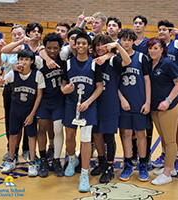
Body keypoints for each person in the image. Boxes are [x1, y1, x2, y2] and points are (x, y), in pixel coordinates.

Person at [61, 33, 103, 192]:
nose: (80, 46)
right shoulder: (68, 64)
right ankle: (72, 160)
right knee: (70, 136)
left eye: (83, 43)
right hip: (71, 105)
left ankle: (84, 174)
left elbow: (99, 87)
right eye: (77, 43)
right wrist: (65, 90)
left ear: (88, 46)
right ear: (74, 45)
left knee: (85, 140)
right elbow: (62, 86)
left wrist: (88, 102)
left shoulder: (94, 64)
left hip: (88, 106)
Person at [0, 49, 45, 176]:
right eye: (21, 59)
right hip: (15, 109)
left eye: (26, 59)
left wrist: (32, 114)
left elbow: (39, 96)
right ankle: (12, 159)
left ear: (32, 61)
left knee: (31, 136)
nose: (23, 62)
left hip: (29, 109)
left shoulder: (37, 75)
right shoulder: (12, 74)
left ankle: (32, 162)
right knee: (13, 134)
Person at [152, 20, 178, 173]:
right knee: (164, 127)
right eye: (160, 29)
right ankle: (165, 155)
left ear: (171, 32)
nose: (162, 32)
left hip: (177, 90)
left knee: (177, 125)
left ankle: (176, 158)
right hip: (161, 91)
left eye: (165, 29)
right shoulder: (156, 48)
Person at [90, 34, 131, 183]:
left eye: (103, 44)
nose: (100, 48)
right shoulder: (93, 61)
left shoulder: (113, 60)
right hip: (95, 103)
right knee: (96, 135)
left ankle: (109, 166)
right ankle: (101, 161)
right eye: (97, 45)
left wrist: (117, 47)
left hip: (110, 103)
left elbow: (128, 61)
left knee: (108, 136)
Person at [145, 37, 178, 185]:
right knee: (164, 139)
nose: (153, 51)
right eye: (150, 48)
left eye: (156, 48)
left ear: (162, 49)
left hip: (169, 107)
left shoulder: (168, 63)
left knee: (170, 140)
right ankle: (170, 166)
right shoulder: (149, 64)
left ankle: (167, 173)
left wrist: (168, 100)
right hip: (155, 107)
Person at [117, 29, 151, 182]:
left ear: (133, 41)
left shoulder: (142, 57)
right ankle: (128, 164)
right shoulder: (117, 59)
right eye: (123, 40)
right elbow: (114, 83)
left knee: (141, 134)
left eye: (129, 40)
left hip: (139, 102)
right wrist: (122, 98)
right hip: (124, 104)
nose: (126, 42)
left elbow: (147, 81)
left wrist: (148, 101)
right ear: (120, 41)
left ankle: (143, 164)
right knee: (126, 135)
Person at [0, 24, 30, 162]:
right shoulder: (8, 50)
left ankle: (26, 149)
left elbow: (19, 48)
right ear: (11, 36)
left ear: (25, 33)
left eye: (20, 34)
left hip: (27, 86)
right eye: (14, 34)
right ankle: (11, 149)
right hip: (10, 87)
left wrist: (20, 41)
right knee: (10, 119)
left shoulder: (25, 47)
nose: (17, 36)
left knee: (27, 120)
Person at [36, 32, 66, 178]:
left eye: (55, 48)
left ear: (60, 48)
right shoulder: (38, 60)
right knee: (42, 128)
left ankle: (56, 160)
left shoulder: (64, 57)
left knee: (58, 129)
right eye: (49, 48)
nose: (52, 51)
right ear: (45, 48)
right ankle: (43, 159)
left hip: (59, 101)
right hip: (43, 100)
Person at [132, 15, 153, 168]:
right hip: (132, 86)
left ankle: (147, 154)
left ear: (145, 26)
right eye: (136, 23)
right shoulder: (128, 43)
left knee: (147, 123)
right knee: (132, 126)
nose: (138, 25)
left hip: (147, 83)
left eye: (140, 23)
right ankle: (133, 153)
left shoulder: (149, 43)